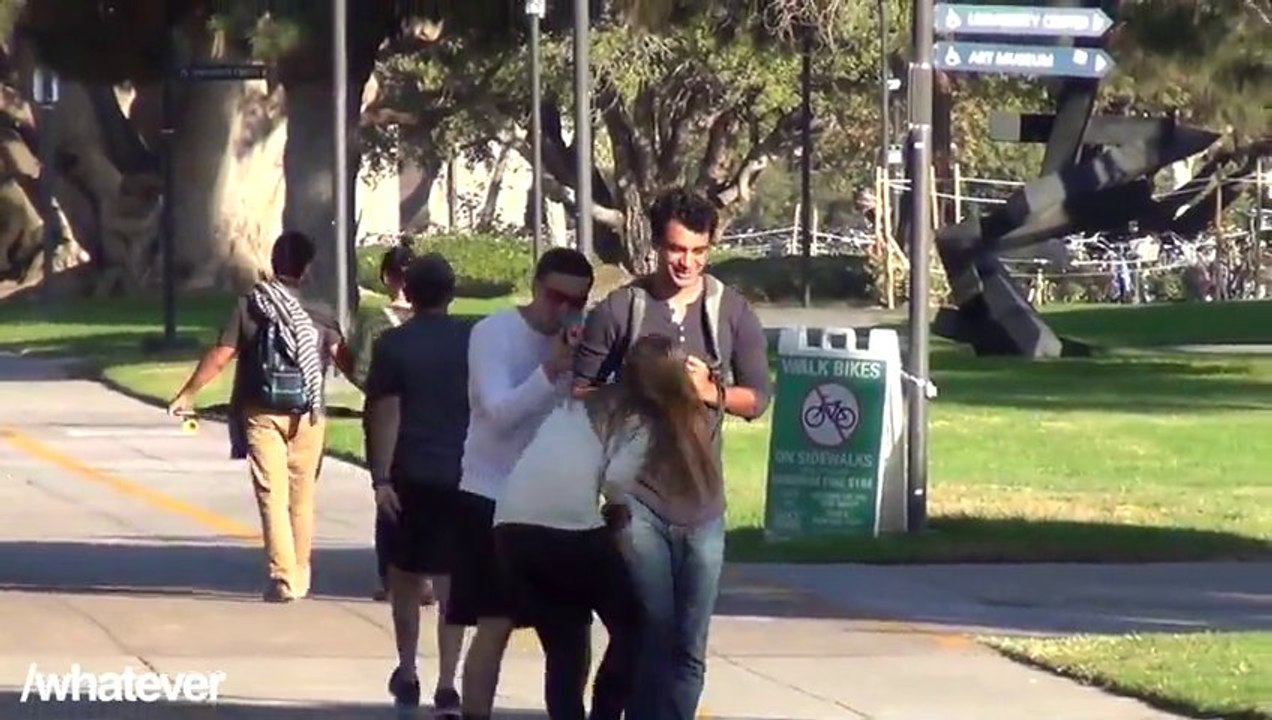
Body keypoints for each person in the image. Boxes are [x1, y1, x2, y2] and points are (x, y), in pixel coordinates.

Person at [573, 187, 772, 720]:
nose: (686, 262)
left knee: (688, 647)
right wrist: (640, 387)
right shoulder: (621, 310)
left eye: (698, 251)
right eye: (676, 249)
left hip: (703, 504)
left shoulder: (729, 313)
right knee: (648, 630)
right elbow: (580, 395)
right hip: (635, 498)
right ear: (655, 246)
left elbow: (758, 399)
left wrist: (711, 393)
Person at [496, 333, 717, 720]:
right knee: (637, 625)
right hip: (569, 530)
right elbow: (616, 482)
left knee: (565, 642)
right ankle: (606, 713)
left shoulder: (581, 403)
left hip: (512, 528)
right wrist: (617, 517)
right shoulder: (640, 417)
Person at [448, 247, 595, 720]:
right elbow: (496, 414)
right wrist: (551, 369)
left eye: (578, 301)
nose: (565, 310)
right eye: (556, 297)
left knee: (572, 627)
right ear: (535, 288)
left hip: (554, 504)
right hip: (492, 495)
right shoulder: (493, 334)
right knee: (496, 622)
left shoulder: (582, 341)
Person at [168, 230, 354, 603]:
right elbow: (342, 359)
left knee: (272, 494)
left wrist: (189, 392)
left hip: (262, 410)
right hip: (309, 413)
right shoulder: (320, 311)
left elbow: (222, 354)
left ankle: (283, 577)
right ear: (307, 267)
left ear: (273, 262)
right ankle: (300, 575)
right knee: (302, 498)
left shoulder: (251, 305)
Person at [362, 253, 472, 715]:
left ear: (407, 291)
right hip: (463, 474)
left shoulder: (392, 345)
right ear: (452, 292)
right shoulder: (473, 340)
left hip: (411, 475)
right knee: (451, 582)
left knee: (405, 579)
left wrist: (381, 477)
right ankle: (448, 681)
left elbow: (387, 413)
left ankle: (408, 670)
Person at [349, 242, 435, 604]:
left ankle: (391, 577)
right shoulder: (437, 322)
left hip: (385, 418)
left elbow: (361, 371)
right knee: (429, 500)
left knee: (388, 496)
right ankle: (427, 576)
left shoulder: (373, 321)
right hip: (431, 419)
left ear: (387, 277)